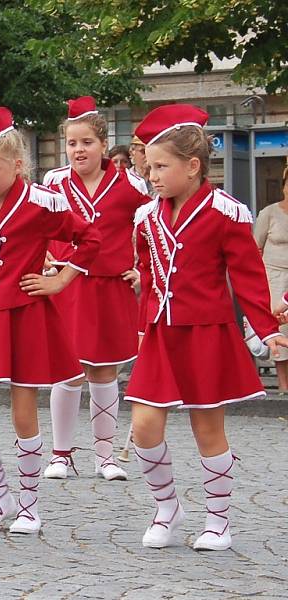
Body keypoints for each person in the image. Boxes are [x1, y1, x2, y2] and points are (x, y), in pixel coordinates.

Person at [127, 104, 288, 551]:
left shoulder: (226, 212)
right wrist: (142, 330)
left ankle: (218, 521)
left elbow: (248, 275)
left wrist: (264, 327)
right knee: (144, 426)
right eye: (149, 166)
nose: (152, 175)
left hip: (207, 334)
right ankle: (167, 508)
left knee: (208, 428)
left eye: (161, 166)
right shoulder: (146, 217)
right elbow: (148, 274)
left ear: (193, 166)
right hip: (161, 334)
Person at [0, 106, 100, 534]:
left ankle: (30, 505)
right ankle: (0, 498)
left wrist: (63, 280)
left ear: (17, 165)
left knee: (23, 413)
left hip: (28, 316)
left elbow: (89, 236)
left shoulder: (43, 204)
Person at [40, 96, 149, 481]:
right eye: (71, 143)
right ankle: (60, 454)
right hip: (67, 287)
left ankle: (105, 456)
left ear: (103, 143)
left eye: (86, 142)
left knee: (104, 371)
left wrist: (141, 268)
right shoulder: (54, 182)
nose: (78, 150)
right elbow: (40, 225)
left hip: (110, 287)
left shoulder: (131, 184)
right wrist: (44, 257)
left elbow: (150, 229)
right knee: (67, 371)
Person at [253, 165, 288, 391]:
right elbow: (255, 248)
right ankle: (284, 385)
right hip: (274, 277)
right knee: (281, 330)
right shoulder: (269, 213)